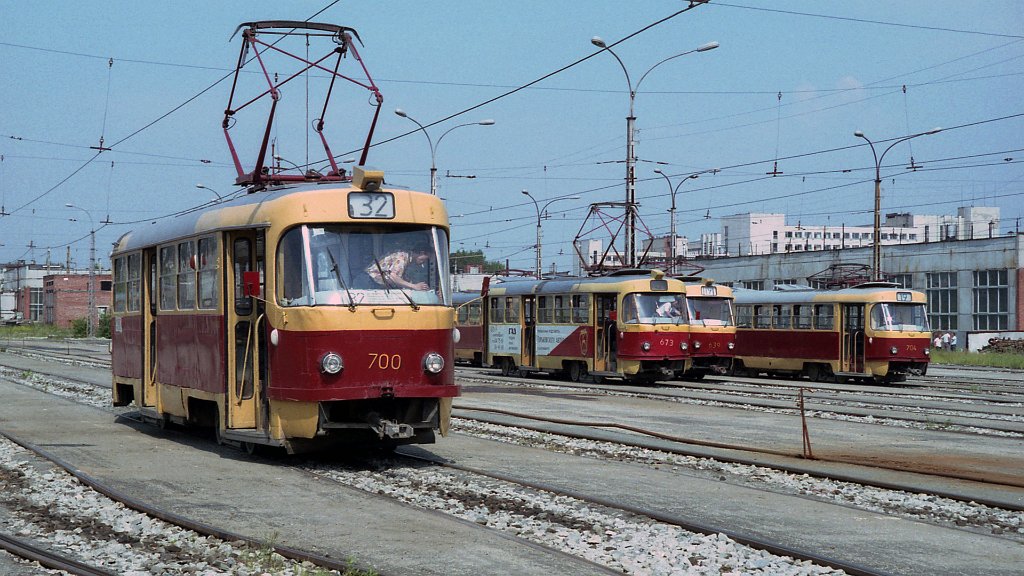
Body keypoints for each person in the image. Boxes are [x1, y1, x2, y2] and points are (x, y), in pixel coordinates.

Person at [366, 245, 431, 290]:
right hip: (369, 280)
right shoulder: (402, 257)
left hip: (375, 282)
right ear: (422, 253)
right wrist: (414, 286)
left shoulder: (407, 258)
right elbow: (393, 277)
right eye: (425, 259)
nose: (424, 262)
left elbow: (399, 279)